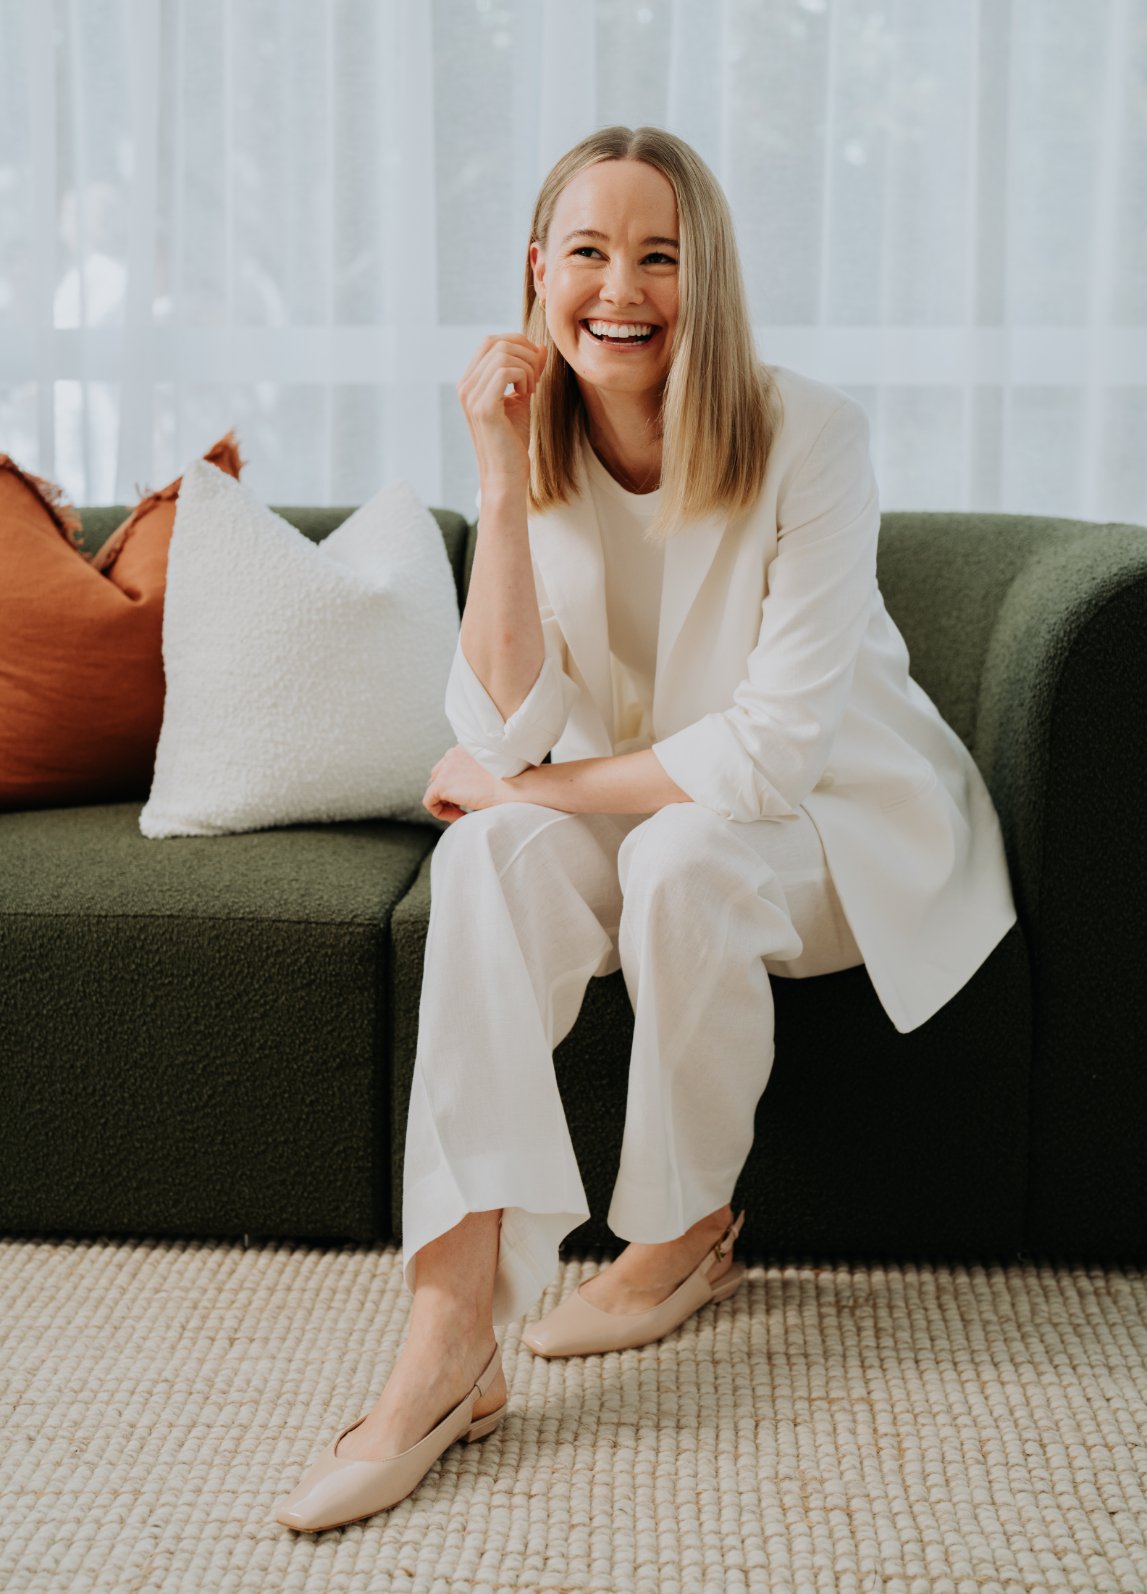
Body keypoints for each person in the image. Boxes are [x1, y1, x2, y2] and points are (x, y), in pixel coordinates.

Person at [273, 125, 1017, 1532]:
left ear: (707, 277)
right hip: (640, 791)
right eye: (592, 251)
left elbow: (771, 753)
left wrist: (530, 787)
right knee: (484, 855)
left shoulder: (811, 435)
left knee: (671, 849)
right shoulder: (535, 443)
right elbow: (497, 736)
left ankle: (682, 1233)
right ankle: (448, 1332)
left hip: (835, 824)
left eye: (661, 254)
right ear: (538, 273)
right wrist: (496, 479)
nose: (625, 286)